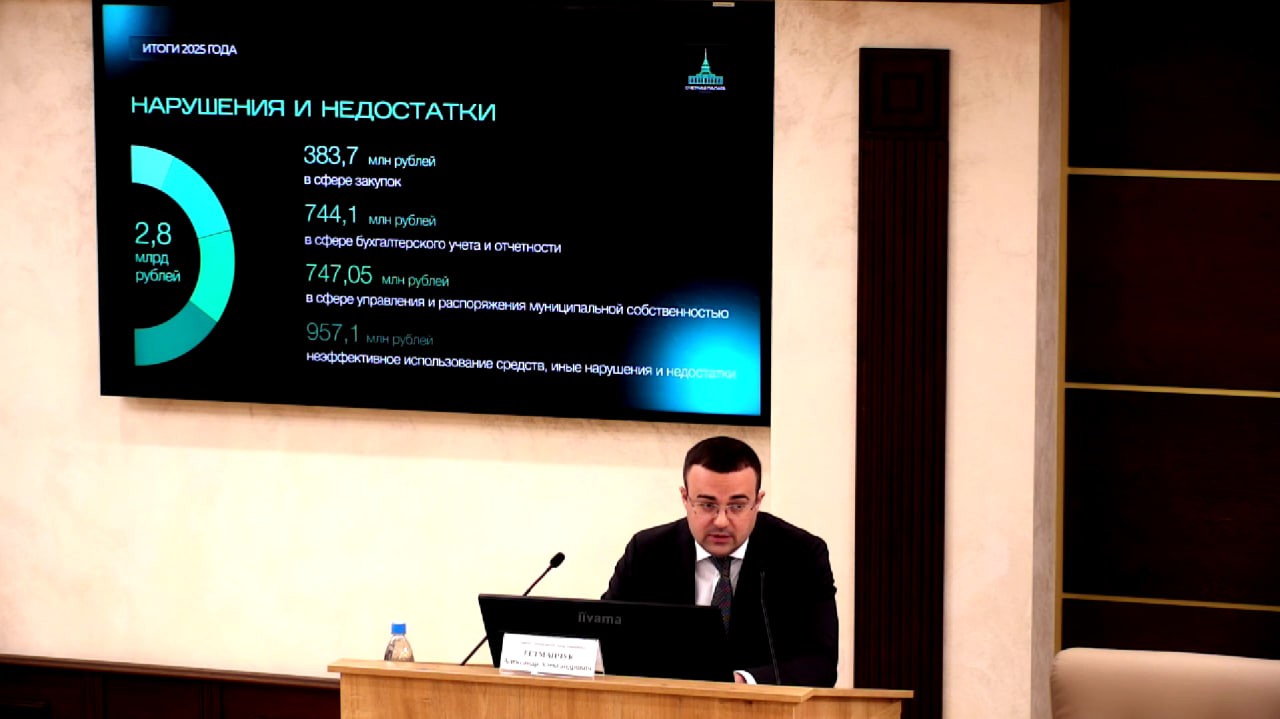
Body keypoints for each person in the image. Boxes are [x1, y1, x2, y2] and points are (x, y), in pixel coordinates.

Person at [603, 436, 838, 687]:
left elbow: (821, 664)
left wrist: (743, 682)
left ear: (757, 502)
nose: (721, 521)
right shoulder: (648, 552)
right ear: (685, 498)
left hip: (761, 705)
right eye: (707, 505)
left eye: (737, 506)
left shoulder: (801, 556)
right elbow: (602, 633)